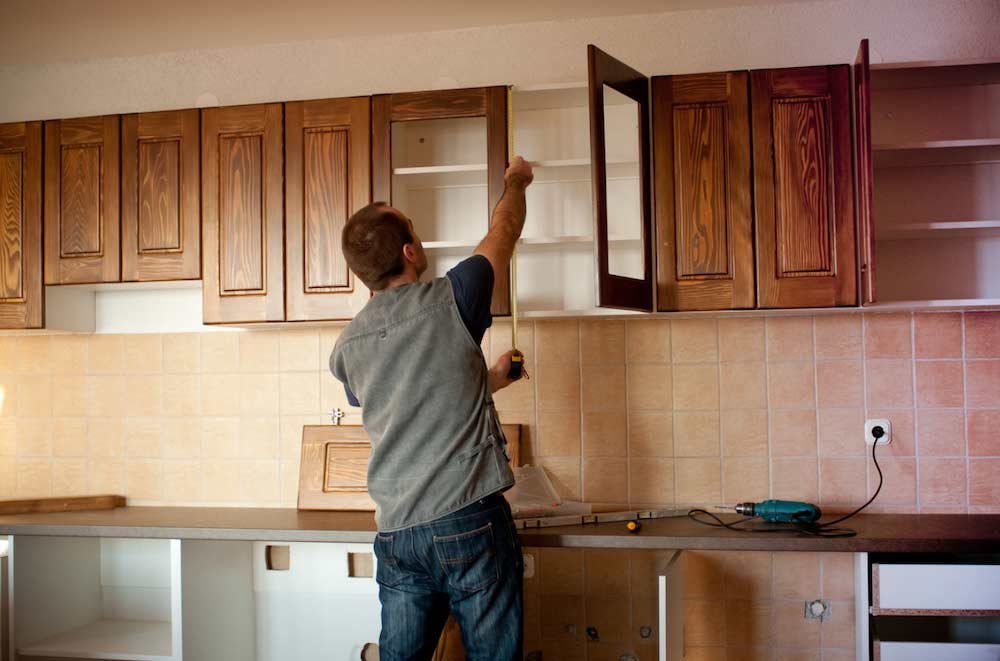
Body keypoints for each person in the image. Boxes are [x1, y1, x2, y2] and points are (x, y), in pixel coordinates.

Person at [330, 156, 535, 661]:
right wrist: (517, 180)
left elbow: (409, 401)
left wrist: (488, 381)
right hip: (469, 519)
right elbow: (504, 230)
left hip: (398, 533)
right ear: (410, 251)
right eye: (413, 228)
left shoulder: (346, 348)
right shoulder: (456, 297)